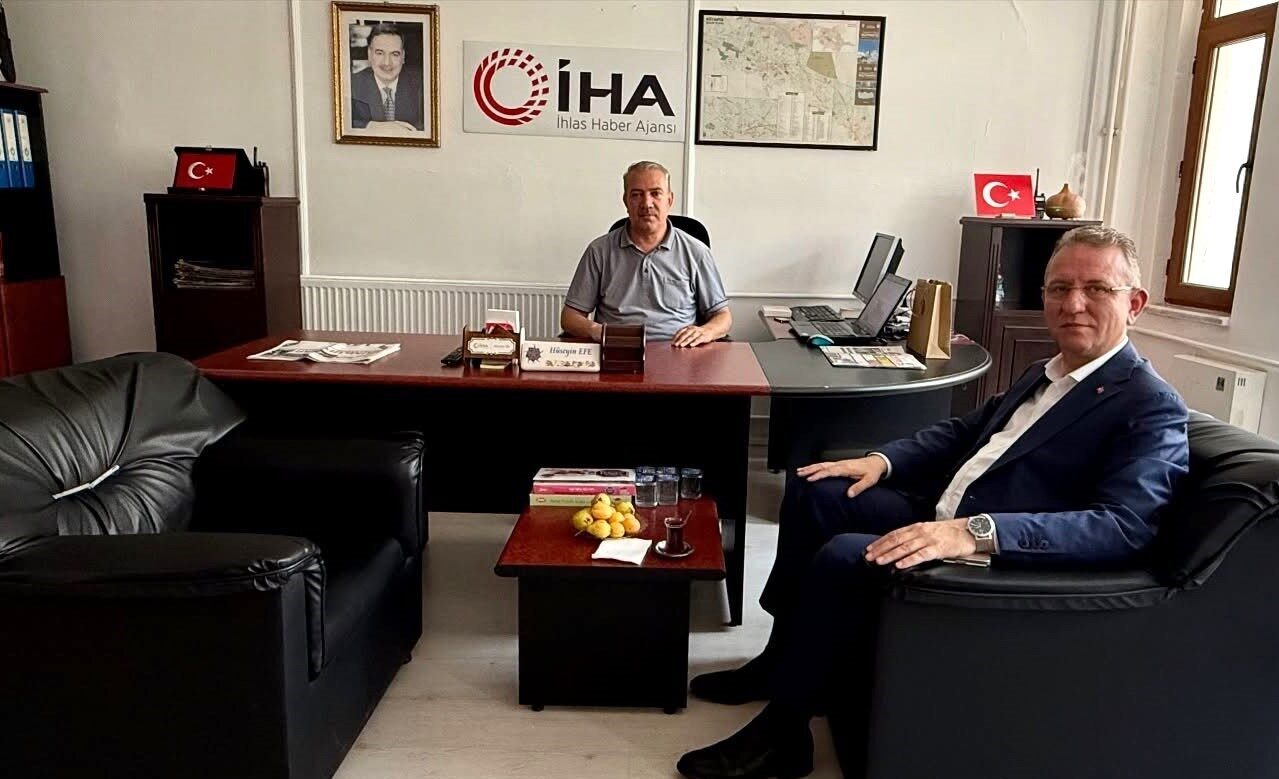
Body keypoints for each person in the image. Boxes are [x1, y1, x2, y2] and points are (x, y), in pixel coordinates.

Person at [676, 225, 1190, 779]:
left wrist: (976, 532)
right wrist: (882, 461)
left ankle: (785, 732)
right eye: (1059, 288)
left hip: (996, 553)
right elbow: (964, 430)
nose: (1073, 304)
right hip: (943, 512)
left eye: (1096, 289)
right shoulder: (1047, 372)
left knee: (847, 554)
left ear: (1134, 304)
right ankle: (780, 661)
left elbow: (1124, 526)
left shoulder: (1149, 404)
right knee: (814, 489)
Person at [561, 161, 732, 347]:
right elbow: (570, 317)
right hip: (617, 349)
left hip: (678, 351)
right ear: (626, 201)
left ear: (669, 200)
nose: (646, 203)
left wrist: (706, 332)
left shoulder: (696, 252)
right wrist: (598, 331)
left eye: (655, 193)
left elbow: (722, 316)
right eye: (636, 195)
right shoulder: (599, 251)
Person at [351, 23, 425, 132]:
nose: (387, 63)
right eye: (380, 53)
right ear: (369, 54)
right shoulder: (352, 84)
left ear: (403, 56)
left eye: (395, 54)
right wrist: (371, 126)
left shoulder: (422, 84)